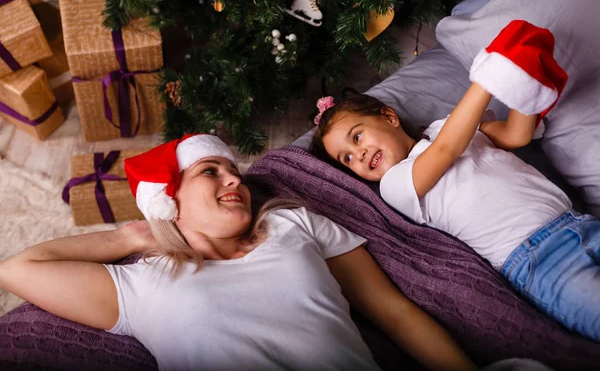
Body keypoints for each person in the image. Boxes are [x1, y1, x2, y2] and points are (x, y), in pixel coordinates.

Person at [0, 133, 477, 371]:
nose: (235, 180)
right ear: (171, 199)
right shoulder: (142, 285)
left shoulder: (294, 223)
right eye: (211, 171)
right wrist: (131, 238)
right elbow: (18, 269)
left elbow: (393, 313)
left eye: (235, 171)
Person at [311, 20, 600, 342]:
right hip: (538, 261)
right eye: (346, 158)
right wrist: (490, 76)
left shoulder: (446, 127)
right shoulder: (396, 185)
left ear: (389, 117)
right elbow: (447, 149)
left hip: (579, 224)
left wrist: (526, 83)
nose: (358, 154)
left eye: (357, 137)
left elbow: (517, 135)